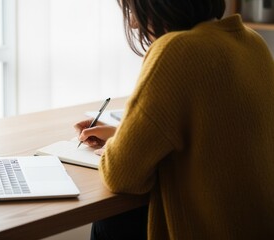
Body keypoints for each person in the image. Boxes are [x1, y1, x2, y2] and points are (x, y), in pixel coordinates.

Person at [75, 0, 274, 239]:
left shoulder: (175, 50)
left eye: (131, 8)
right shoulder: (252, 43)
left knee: (112, 223)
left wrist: (115, 150)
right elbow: (213, 140)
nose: (133, 23)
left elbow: (120, 176)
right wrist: (121, 134)